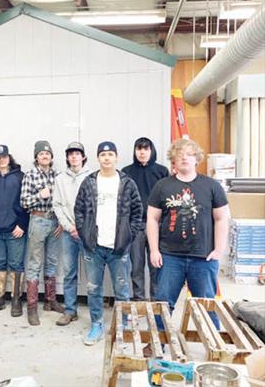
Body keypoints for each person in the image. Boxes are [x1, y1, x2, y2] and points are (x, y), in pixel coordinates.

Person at [147, 138, 229, 332]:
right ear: (173, 160)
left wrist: (218, 250)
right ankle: (159, 342)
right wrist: (154, 250)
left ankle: (214, 347)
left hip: (203, 257)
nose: (184, 157)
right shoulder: (162, 186)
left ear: (197, 159)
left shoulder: (211, 186)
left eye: (189, 154)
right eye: (180, 154)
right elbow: (152, 219)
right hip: (169, 256)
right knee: (163, 304)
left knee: (206, 305)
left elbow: (222, 218)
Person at [75, 141, 142, 345]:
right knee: (94, 288)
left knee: (122, 289)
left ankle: (122, 327)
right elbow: (78, 211)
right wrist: (85, 234)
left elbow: (137, 211)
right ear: (97, 158)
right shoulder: (89, 182)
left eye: (110, 154)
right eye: (103, 155)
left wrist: (128, 236)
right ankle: (97, 325)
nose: (106, 158)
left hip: (118, 247)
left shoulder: (127, 183)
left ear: (116, 157)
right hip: (93, 247)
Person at [0, 145, 29, 317]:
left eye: (4, 157)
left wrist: (22, 224)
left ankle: (16, 300)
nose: (2, 160)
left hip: (15, 230)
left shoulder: (20, 177)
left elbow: (26, 203)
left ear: (9, 158)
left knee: (16, 265)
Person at [20, 140, 64, 326]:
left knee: (52, 261)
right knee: (34, 263)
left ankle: (50, 300)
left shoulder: (58, 176)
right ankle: (32, 307)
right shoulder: (30, 176)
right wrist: (40, 195)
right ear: (36, 157)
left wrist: (62, 220)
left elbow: (64, 200)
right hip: (37, 220)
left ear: (51, 157)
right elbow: (23, 201)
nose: (45, 156)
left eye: (47, 153)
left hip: (55, 220)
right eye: (41, 154)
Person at [122, 137, 169, 301]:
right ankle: (139, 298)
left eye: (146, 149)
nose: (142, 152)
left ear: (152, 151)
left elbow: (167, 199)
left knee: (156, 264)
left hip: (156, 225)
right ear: (135, 151)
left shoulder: (162, 171)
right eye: (139, 149)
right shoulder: (126, 172)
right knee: (136, 266)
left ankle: (156, 299)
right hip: (135, 226)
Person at [53, 142, 91, 326]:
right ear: (67, 157)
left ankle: (95, 313)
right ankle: (70, 310)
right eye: (71, 154)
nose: (74, 157)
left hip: (89, 233)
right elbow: (57, 204)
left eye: (77, 153)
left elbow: (94, 205)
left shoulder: (92, 177)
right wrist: (69, 227)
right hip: (69, 233)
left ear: (83, 156)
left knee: (93, 274)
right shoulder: (60, 179)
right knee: (69, 273)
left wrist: (83, 227)